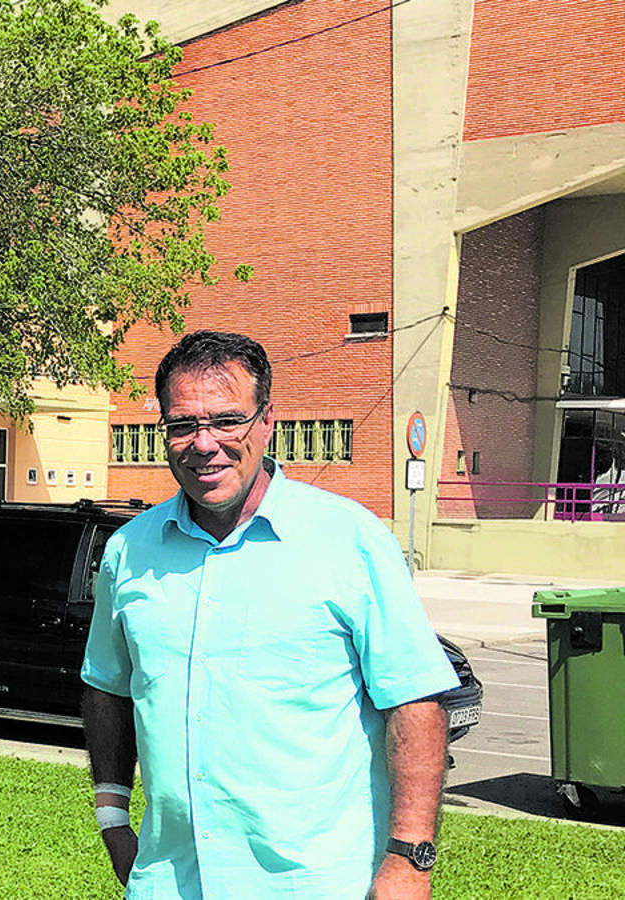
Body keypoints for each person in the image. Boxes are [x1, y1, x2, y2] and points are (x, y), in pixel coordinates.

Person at [80, 331, 458, 900]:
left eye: (227, 420)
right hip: (170, 880)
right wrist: (113, 819)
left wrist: (410, 857)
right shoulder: (130, 551)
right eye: (183, 425)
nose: (204, 443)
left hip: (318, 884)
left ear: (267, 420)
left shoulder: (350, 539)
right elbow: (107, 687)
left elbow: (414, 697)